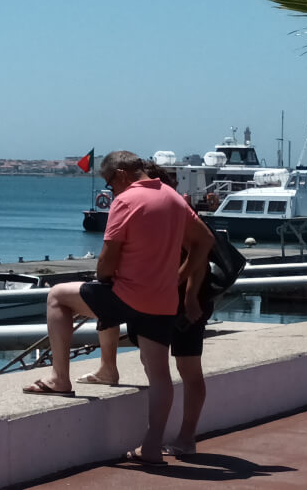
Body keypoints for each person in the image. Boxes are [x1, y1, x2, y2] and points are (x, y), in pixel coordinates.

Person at [22, 150, 213, 467]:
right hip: (163, 301)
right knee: (160, 375)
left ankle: (60, 379)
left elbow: (106, 261)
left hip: (128, 295)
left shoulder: (125, 202)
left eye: (110, 183)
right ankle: (151, 446)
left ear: (122, 175)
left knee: (57, 296)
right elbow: (204, 242)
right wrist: (177, 279)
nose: (110, 190)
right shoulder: (174, 198)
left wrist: (104, 278)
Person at [80, 162, 212, 457]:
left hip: (184, 298)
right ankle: (166, 437)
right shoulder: (164, 206)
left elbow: (201, 249)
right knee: (156, 365)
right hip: (157, 298)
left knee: (187, 368)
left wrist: (187, 294)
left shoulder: (174, 209)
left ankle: (186, 436)